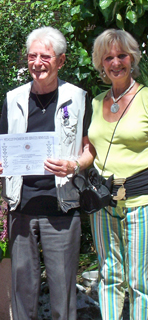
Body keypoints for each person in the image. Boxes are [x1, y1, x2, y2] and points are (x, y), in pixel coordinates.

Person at [0, 26, 94, 320]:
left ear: (60, 61)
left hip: (62, 205)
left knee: (63, 292)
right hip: (21, 206)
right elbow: (2, 143)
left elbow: (90, 148)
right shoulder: (14, 98)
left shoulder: (78, 98)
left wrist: (76, 165)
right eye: (32, 56)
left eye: (45, 56)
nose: (37, 62)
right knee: (23, 290)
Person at [89, 29, 148, 319]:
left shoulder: (146, 98)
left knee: (140, 282)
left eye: (122, 55)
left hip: (141, 202)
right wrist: (73, 165)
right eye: (108, 57)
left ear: (133, 58)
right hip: (102, 203)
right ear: (101, 63)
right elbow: (90, 149)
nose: (115, 62)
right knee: (109, 276)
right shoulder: (96, 102)